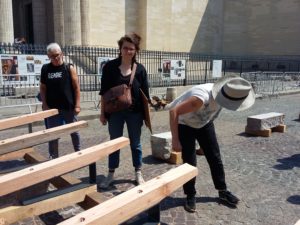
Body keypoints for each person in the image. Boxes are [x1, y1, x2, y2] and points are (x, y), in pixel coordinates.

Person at [168, 75, 255, 213]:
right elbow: (174, 112)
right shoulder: (201, 98)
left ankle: (222, 190)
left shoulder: (227, 96)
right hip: (184, 125)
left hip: (204, 124)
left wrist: (205, 144)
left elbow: (212, 114)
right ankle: (190, 195)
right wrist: (175, 140)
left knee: (215, 157)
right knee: (190, 162)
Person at [99, 33, 150, 188]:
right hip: (115, 113)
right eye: (125, 48)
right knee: (114, 143)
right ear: (120, 49)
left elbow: (145, 95)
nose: (128, 51)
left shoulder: (140, 69)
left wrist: (147, 117)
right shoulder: (109, 67)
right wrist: (102, 113)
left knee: (135, 143)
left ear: (135, 51)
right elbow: (104, 92)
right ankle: (111, 174)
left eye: (131, 49)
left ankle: (138, 172)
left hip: (135, 113)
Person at [39, 43, 81, 159]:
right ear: (48, 56)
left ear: (61, 54)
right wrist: (45, 104)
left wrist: (77, 105)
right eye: (52, 56)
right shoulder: (46, 69)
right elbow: (43, 88)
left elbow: (76, 87)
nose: (55, 58)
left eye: (57, 55)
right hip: (52, 109)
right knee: (53, 134)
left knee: (74, 131)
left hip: (68, 107)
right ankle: (53, 157)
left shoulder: (69, 68)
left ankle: (79, 152)